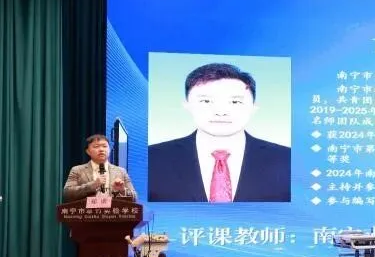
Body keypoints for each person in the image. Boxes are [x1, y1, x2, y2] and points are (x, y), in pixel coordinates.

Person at [148, 63, 291, 203]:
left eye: (235, 102)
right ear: (187, 105)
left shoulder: (287, 159)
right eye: (206, 101)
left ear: (254, 108)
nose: (221, 112)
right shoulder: (151, 157)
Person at [63, 134, 137, 202]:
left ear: (109, 149)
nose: (101, 149)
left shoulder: (121, 171)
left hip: (113, 211)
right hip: (87, 211)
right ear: (88, 151)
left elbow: (134, 197)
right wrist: (92, 185)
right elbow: (67, 194)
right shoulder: (77, 170)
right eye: (96, 146)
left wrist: (122, 190)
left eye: (104, 146)